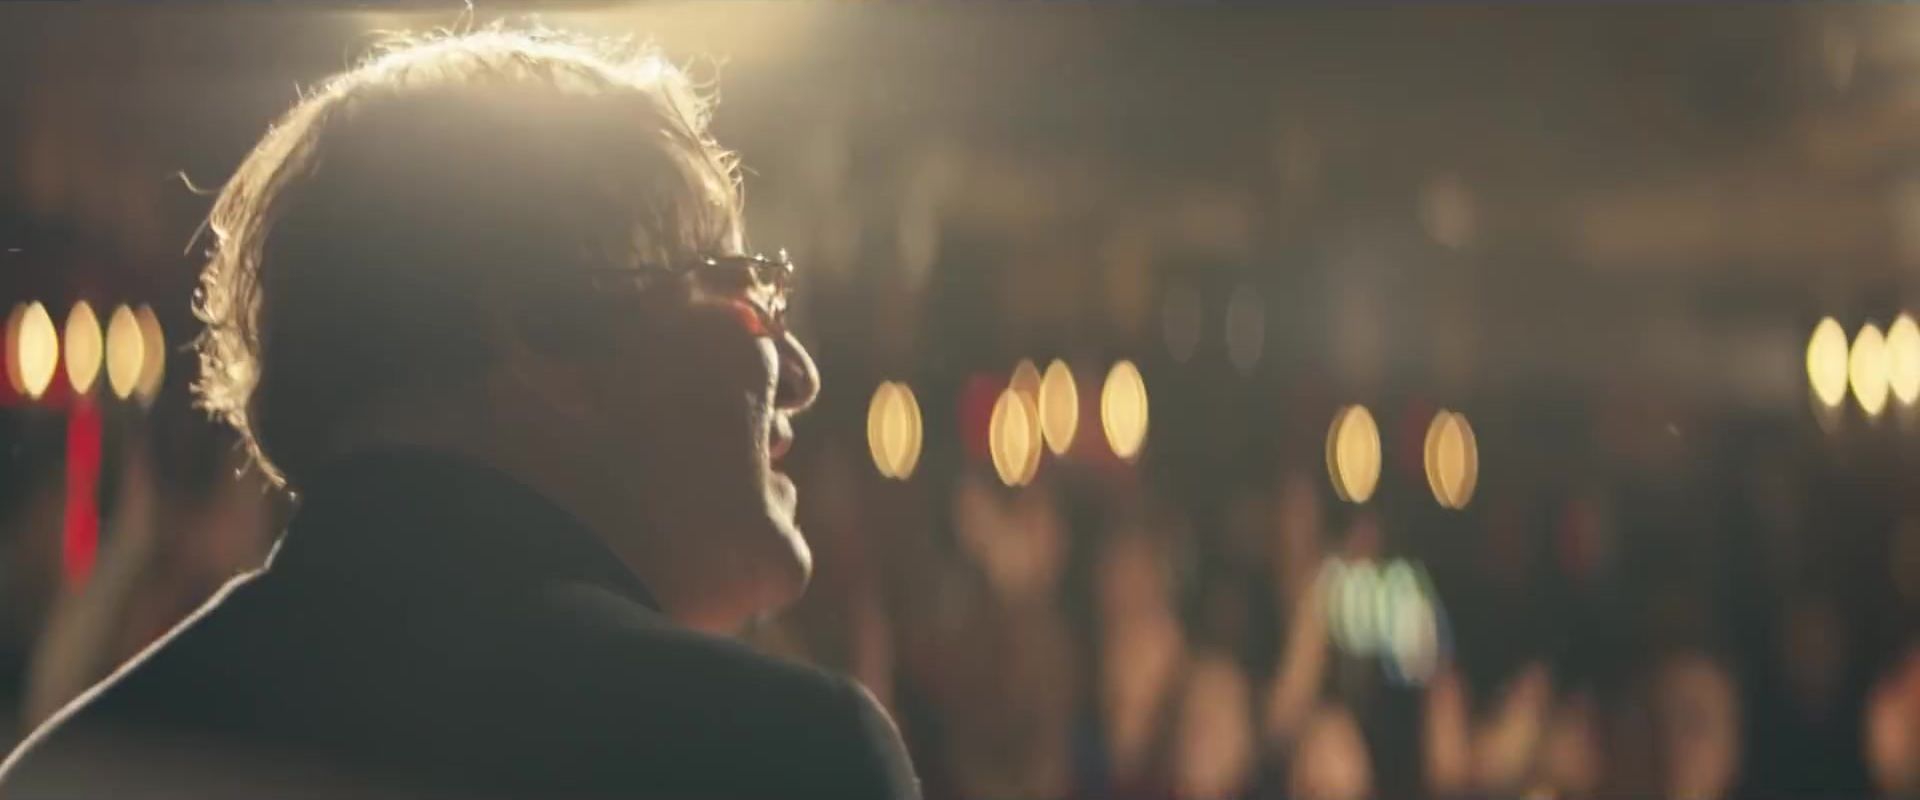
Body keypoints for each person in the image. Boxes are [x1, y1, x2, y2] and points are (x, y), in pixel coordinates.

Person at [0, 27, 920, 800]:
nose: (800, 375)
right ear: (549, 320)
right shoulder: (775, 754)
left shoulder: (67, 769)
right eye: (745, 290)